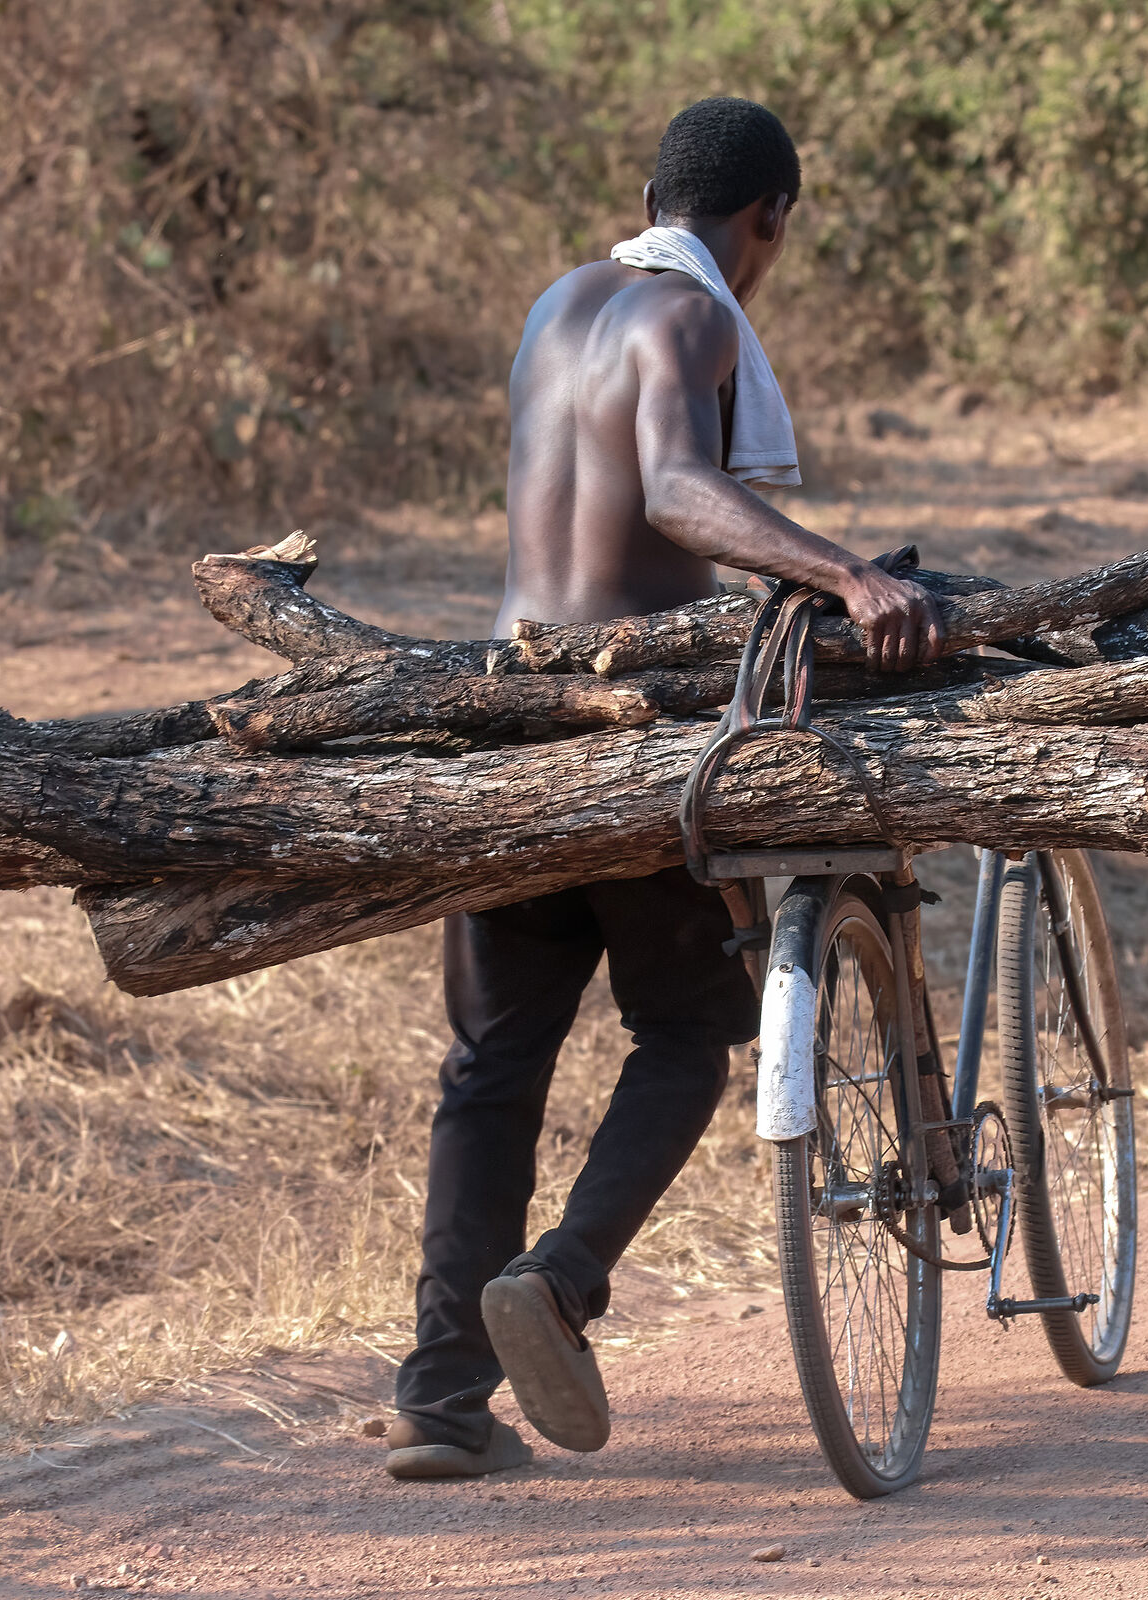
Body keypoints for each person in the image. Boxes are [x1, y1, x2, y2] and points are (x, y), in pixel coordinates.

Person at [384, 97, 945, 1479]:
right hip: (633, 725)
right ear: (767, 222)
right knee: (688, 1035)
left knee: (490, 1062)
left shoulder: (556, 307)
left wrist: (788, 560)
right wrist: (847, 574)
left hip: (514, 714)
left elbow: (606, 512)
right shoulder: (693, 320)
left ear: (648, 197)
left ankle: (442, 1397)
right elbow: (680, 492)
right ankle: (562, 1281)